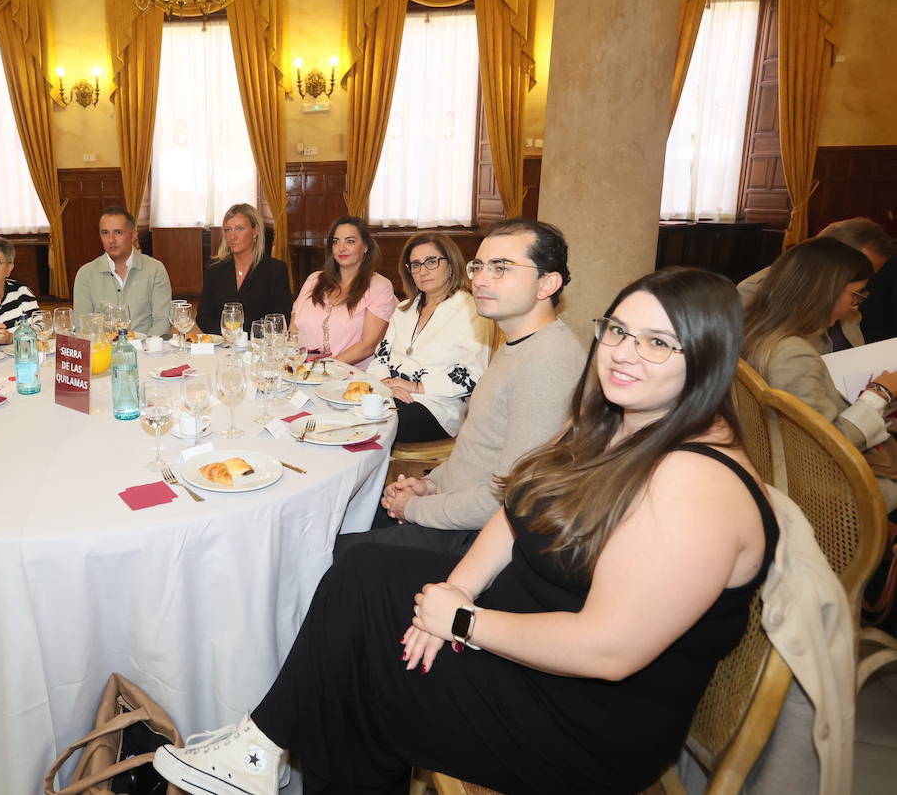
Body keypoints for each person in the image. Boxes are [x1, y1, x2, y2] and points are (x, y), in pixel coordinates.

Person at [154, 267, 776, 795]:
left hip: (584, 715)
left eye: (657, 343)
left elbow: (609, 651)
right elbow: (516, 507)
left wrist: (461, 621)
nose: (623, 353)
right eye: (616, 330)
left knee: (362, 673)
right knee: (362, 572)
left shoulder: (697, 486)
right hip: (527, 627)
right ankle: (260, 750)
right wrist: (452, 592)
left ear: (708, 355)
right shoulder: (617, 419)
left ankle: (270, 752)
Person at [340, 218, 584, 554]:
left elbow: (510, 497)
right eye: (479, 266)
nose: (480, 279)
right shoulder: (519, 344)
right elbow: (476, 455)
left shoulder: (548, 362)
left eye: (501, 268)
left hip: (473, 537)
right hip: (453, 499)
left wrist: (415, 507)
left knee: (342, 556)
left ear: (547, 284)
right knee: (340, 531)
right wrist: (428, 485)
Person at [742, 237, 897, 510]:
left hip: (773, 468)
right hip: (821, 490)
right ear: (827, 290)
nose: (856, 306)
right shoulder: (791, 353)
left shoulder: (755, 331)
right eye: (855, 294)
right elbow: (823, 448)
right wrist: (880, 394)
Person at [366, 233, 489, 444]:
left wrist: (415, 387)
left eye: (431, 262)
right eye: (415, 264)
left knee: (377, 422)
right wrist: (388, 386)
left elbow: (473, 374)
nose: (423, 271)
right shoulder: (404, 309)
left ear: (450, 264)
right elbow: (381, 357)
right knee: (355, 408)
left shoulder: (471, 309)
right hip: (391, 393)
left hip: (438, 404)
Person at [738, 217, 895, 350]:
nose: (865, 277)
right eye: (857, 266)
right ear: (825, 254)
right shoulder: (756, 291)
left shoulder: (850, 294)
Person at [290, 216, 396, 366]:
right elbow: (293, 329)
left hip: (350, 378)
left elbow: (368, 346)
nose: (341, 248)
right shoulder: (314, 280)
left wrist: (325, 368)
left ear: (365, 246)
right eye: (336, 241)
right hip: (303, 371)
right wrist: (294, 363)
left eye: (350, 241)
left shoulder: (379, 286)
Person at [195, 204, 292, 336]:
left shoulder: (275, 270)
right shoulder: (215, 270)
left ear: (255, 230)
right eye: (228, 230)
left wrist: (245, 339)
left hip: (259, 349)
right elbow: (203, 318)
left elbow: (280, 319)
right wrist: (229, 338)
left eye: (240, 229)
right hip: (222, 346)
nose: (232, 236)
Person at [72, 206, 171, 336]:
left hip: (146, 350)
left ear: (134, 234)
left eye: (118, 232)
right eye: (105, 233)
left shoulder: (155, 270)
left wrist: (145, 349)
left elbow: (162, 321)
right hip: (103, 351)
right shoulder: (86, 274)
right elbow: (82, 327)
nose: (111, 240)